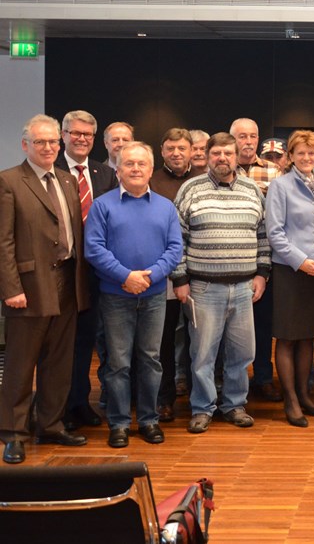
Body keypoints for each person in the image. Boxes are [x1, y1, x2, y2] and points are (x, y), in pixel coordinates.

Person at [1, 114, 91, 464]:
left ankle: (50, 425)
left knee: (59, 362)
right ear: (26, 145)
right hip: (27, 287)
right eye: (41, 142)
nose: (49, 147)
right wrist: (10, 287)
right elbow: (3, 241)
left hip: (68, 284)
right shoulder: (9, 182)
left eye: (54, 141)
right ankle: (13, 432)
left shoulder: (68, 181)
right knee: (21, 366)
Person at [85, 141, 182, 448]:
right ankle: (119, 423)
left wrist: (150, 276)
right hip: (116, 296)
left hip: (154, 296)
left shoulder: (166, 207)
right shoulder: (103, 205)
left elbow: (175, 248)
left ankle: (149, 420)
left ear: (151, 169)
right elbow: (94, 249)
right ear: (119, 169)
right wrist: (125, 276)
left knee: (151, 360)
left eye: (142, 164)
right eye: (129, 164)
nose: (136, 169)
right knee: (118, 363)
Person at [172, 132, 270, 434]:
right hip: (203, 288)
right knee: (202, 355)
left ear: (237, 154)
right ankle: (202, 408)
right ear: (207, 155)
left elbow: (262, 235)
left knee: (242, 354)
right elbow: (177, 239)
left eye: (229, 153)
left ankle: (234, 404)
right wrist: (180, 278)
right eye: (217, 153)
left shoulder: (252, 189)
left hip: (243, 287)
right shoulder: (191, 189)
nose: (223, 158)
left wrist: (261, 273)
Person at [265, 130, 314, 427]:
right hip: (289, 271)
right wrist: (302, 261)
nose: (307, 158)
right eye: (301, 153)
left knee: (308, 335)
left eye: (312, 153)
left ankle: (306, 397)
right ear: (290, 157)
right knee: (286, 337)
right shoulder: (280, 186)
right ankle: (291, 400)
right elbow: (275, 233)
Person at [54, 110, 118, 431]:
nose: (81, 139)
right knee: (59, 345)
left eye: (88, 135)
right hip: (60, 274)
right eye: (75, 133)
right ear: (63, 135)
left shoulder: (104, 174)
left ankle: (80, 402)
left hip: (94, 274)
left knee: (84, 342)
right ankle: (58, 407)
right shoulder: (52, 170)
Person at [149, 128, 204, 423]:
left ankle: (200, 399)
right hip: (165, 274)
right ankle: (165, 398)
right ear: (162, 150)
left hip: (201, 273)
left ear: (191, 150)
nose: (177, 153)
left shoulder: (203, 181)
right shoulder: (152, 182)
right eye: (171, 148)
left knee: (200, 340)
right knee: (164, 340)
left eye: (182, 148)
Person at [230, 118, 282, 403]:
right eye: (241, 136)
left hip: (264, 259)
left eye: (253, 136)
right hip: (232, 261)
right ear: (232, 138)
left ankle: (263, 377)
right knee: (231, 329)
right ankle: (232, 381)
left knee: (262, 325)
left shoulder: (274, 171)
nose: (248, 141)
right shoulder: (224, 169)